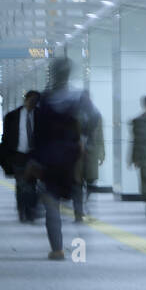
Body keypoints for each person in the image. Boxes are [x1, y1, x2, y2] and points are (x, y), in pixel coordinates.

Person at [27, 60, 99, 259]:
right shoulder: (80, 97)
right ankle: (78, 215)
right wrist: (84, 138)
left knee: (51, 201)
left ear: (53, 74)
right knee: (75, 188)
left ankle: (57, 248)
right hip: (73, 155)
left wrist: (34, 158)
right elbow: (94, 117)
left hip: (49, 156)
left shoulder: (44, 99)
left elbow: (36, 132)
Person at [0, 90, 40, 222]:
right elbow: (6, 139)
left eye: (36, 102)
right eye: (31, 101)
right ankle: (22, 209)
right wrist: (4, 158)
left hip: (34, 155)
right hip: (17, 155)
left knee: (32, 184)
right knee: (21, 184)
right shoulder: (12, 116)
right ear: (26, 99)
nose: (33, 104)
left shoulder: (40, 116)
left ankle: (30, 210)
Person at [73, 107, 105, 222]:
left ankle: (86, 207)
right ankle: (79, 212)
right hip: (76, 156)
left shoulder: (96, 116)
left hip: (91, 154)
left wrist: (101, 154)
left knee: (91, 181)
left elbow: (100, 136)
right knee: (77, 184)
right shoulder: (73, 116)